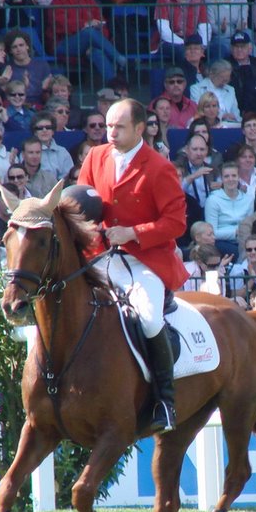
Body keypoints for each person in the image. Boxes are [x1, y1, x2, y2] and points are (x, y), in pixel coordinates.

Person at [77, 98, 188, 433]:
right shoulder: (95, 157)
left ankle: (165, 402)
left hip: (145, 260)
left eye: (118, 126)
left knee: (151, 320)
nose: (110, 132)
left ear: (140, 128)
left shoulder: (158, 167)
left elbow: (176, 223)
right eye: (108, 125)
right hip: (100, 255)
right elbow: (77, 202)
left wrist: (134, 233)